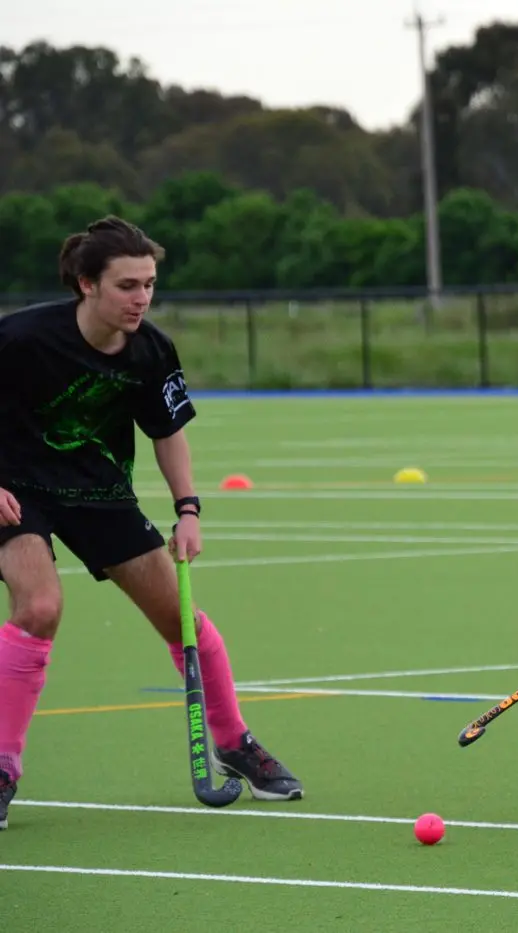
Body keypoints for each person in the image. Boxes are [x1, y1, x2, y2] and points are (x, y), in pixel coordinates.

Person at [0, 216, 302, 831]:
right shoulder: (22, 338)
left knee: (181, 621)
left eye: (150, 285)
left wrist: (188, 508)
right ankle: (3, 766)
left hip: (99, 493)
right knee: (39, 607)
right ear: (87, 285)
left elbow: (167, 433)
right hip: (16, 490)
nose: (141, 298)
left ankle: (234, 741)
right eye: (127, 286)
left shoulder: (153, 350)